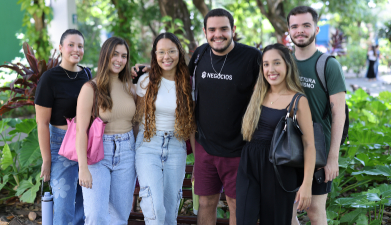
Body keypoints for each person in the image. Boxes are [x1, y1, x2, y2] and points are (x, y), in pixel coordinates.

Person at [187, 8, 261, 225]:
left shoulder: (252, 57)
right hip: (205, 147)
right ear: (204, 31)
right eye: (212, 29)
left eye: (223, 29)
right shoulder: (200, 54)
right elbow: (178, 79)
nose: (217, 34)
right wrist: (147, 69)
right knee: (206, 203)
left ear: (233, 30)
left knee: (236, 204)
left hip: (239, 149)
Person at [236, 43, 316, 225]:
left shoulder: (298, 100)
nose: (270, 69)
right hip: (249, 162)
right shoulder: (258, 93)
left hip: (279, 167)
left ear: (287, 65)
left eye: (276, 63)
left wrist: (306, 184)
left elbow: (309, 145)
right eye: (265, 64)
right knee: (244, 220)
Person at [287, 6, 346, 225]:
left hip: (320, 151)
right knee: (287, 211)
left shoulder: (328, 65)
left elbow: (339, 113)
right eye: (294, 26)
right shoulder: (283, 63)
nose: (300, 30)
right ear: (289, 31)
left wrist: (333, 157)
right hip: (288, 147)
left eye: (305, 25)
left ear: (316, 28)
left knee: (314, 211)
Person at [134, 32, 195, 225]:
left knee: (169, 214)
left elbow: (191, 125)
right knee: (155, 208)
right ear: (154, 55)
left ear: (179, 53)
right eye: (161, 52)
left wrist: (199, 160)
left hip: (176, 146)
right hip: (148, 145)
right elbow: (136, 120)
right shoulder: (145, 82)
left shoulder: (188, 84)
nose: (166, 56)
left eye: (171, 51)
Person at [76, 37, 137, 224]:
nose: (119, 60)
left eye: (124, 56)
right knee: (96, 215)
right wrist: (83, 168)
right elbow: (80, 131)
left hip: (127, 152)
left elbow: (135, 124)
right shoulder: (90, 88)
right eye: (115, 54)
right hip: (98, 154)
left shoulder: (130, 87)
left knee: (119, 215)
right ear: (105, 56)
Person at [35, 29, 89, 225]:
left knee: (84, 207)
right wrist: (46, 160)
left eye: (80, 46)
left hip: (86, 146)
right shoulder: (49, 79)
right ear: (60, 48)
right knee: (64, 209)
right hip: (60, 147)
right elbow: (41, 123)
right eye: (71, 45)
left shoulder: (87, 75)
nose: (76, 49)